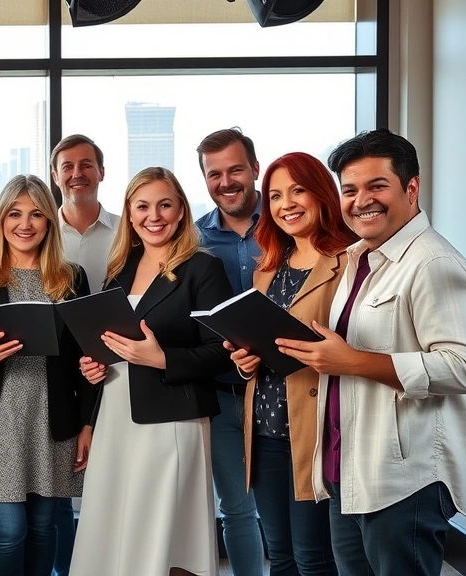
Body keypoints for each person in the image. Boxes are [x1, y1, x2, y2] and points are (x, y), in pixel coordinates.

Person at [274, 129, 466, 576]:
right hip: (348, 469)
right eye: (349, 190)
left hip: (402, 480)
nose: (360, 200)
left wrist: (351, 361)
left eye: (377, 186)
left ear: (412, 188)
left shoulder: (433, 263)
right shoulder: (357, 260)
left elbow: (465, 369)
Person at [71, 167, 233, 576]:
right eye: (142, 206)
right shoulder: (119, 269)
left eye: (165, 205)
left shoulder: (203, 268)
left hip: (172, 417)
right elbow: (108, 342)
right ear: (129, 213)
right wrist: (93, 364)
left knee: (167, 533)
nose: (153, 215)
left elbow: (223, 351)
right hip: (115, 414)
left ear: (181, 211)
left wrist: (163, 359)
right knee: (114, 523)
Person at [0, 175, 94, 576]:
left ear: (50, 221)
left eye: (36, 214)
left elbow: (83, 361)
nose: (25, 224)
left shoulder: (72, 278)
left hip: (52, 421)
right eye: (14, 213)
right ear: (0, 219)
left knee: (43, 527)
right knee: (9, 531)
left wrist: (87, 423)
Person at [225, 152, 357, 576]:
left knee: (313, 557)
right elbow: (265, 346)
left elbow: (354, 342)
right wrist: (246, 361)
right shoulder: (267, 268)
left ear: (321, 193)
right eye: (276, 195)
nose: (286, 204)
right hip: (264, 428)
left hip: (313, 429)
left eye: (297, 190)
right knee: (278, 553)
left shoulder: (349, 262)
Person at [47, 133, 120, 575]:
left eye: (86, 164)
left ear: (101, 172)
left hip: (122, 365)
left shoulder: (124, 231)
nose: (77, 173)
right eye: (67, 166)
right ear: (55, 176)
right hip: (63, 372)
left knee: (111, 480)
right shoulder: (37, 230)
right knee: (59, 488)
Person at [194, 127, 266, 576]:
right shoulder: (194, 240)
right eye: (213, 173)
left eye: (235, 169)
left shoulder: (287, 224)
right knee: (237, 510)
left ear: (255, 169)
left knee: (297, 504)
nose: (226, 181)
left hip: (285, 389)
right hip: (222, 394)